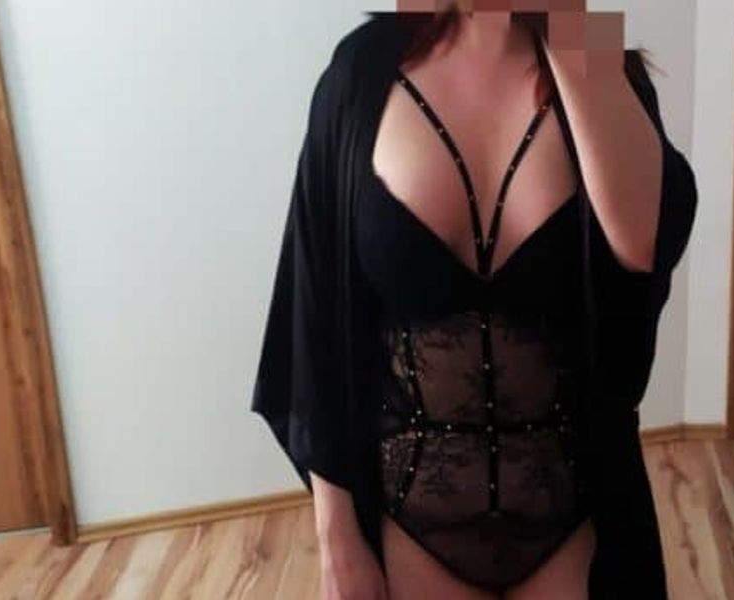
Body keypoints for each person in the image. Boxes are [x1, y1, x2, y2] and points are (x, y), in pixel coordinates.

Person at [250, 4, 698, 600]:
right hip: (408, 525)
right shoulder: (361, 71)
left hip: (578, 522)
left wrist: (570, 29)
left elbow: (643, 245)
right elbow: (313, 318)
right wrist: (337, 539)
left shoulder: (601, 61)